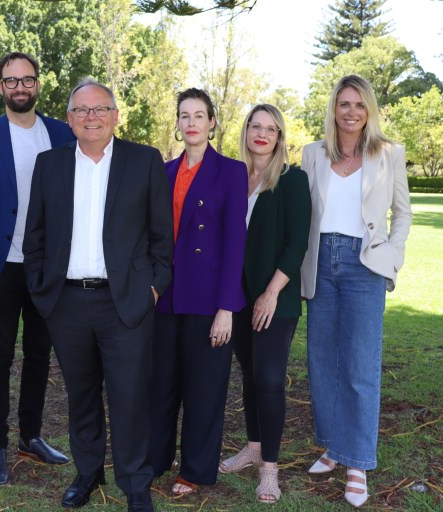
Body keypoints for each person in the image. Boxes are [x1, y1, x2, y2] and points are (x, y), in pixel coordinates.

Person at [23, 78, 173, 512]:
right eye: (81, 110)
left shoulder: (143, 161)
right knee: (81, 394)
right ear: (69, 119)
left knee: (129, 397)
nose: (91, 117)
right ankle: (88, 472)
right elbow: (35, 236)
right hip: (66, 304)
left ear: (114, 116)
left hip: (126, 302)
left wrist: (152, 290)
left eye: (99, 109)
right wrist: (42, 290)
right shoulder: (49, 164)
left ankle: (135, 483)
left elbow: (162, 238)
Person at [0, 52, 73, 485]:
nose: (20, 87)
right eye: (11, 81)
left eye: (28, 79)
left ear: (38, 84)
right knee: (0, 357)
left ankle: (31, 435)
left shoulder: (63, 133)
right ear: (0, 87)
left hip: (48, 267)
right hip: (1, 264)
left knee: (41, 354)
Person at [301, 75, 412, 508]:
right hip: (321, 261)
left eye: (358, 105)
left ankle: (358, 463)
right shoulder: (313, 153)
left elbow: (403, 212)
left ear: (369, 110)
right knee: (323, 360)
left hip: (363, 263)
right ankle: (334, 446)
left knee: (360, 365)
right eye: (343, 104)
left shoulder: (389, 154)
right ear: (334, 109)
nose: (350, 112)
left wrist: (392, 252)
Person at [149, 88, 248, 496]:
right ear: (177, 123)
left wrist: (227, 307)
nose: (191, 122)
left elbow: (235, 243)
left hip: (209, 300)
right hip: (165, 298)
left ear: (212, 122)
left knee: (204, 389)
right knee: (161, 385)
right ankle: (155, 460)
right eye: (184, 115)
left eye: (199, 115)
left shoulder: (231, 171)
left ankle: (194, 469)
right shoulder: (163, 171)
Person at [217, 104, 311, 504]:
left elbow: (297, 243)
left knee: (270, 379)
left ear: (279, 137)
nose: (262, 134)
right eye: (255, 126)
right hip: (237, 295)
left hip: (276, 297)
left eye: (270, 128)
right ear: (246, 131)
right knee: (251, 374)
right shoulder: (234, 176)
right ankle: (252, 448)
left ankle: (269, 470)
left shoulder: (292, 180)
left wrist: (271, 293)